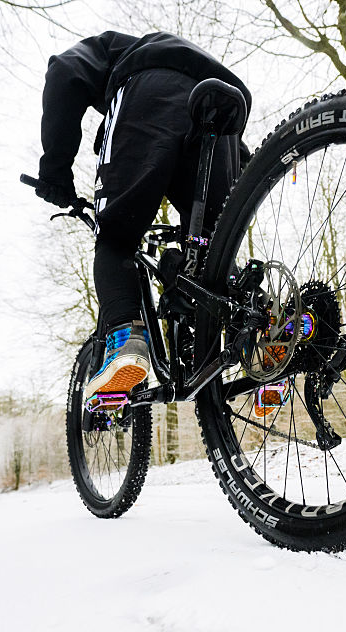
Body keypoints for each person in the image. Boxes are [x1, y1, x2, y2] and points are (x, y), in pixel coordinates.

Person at [32, 32, 251, 409]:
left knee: (117, 236)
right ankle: (259, 338)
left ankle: (125, 343)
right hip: (225, 111)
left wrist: (55, 173)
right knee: (211, 251)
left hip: (151, 89)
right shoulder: (180, 51)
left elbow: (65, 71)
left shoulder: (111, 48)